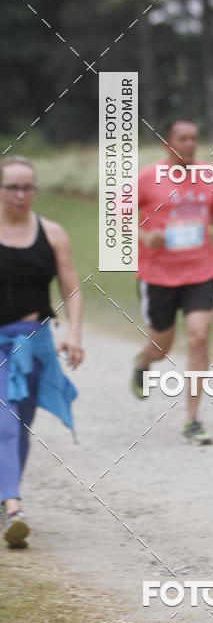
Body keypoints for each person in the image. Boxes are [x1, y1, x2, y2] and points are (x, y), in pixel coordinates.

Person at [0, 156, 83, 548]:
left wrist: (75, 334)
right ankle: (14, 508)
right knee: (6, 423)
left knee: (21, 425)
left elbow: (71, 288)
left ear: (35, 189)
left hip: (34, 344)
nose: (20, 195)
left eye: (27, 187)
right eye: (12, 187)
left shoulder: (51, 234)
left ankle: (5, 497)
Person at [132, 119, 213, 445]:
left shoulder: (207, 175)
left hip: (200, 272)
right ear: (166, 142)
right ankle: (143, 361)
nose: (189, 144)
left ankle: (192, 418)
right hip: (158, 275)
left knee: (199, 337)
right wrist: (145, 236)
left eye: (194, 138)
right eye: (182, 138)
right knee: (161, 348)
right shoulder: (148, 177)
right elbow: (117, 216)